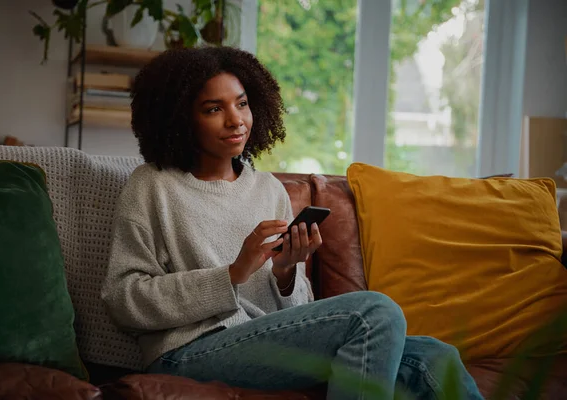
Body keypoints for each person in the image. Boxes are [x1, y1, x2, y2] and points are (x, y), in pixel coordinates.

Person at [101, 46, 483, 400]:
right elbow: (124, 300)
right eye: (213, 109)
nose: (236, 120)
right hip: (186, 352)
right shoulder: (153, 185)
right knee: (375, 311)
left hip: (260, 343)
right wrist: (232, 273)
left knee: (436, 355)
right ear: (180, 118)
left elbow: (294, 313)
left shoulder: (268, 189)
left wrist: (285, 273)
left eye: (243, 104)